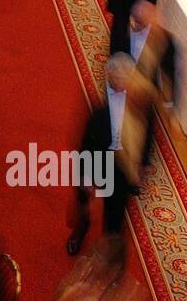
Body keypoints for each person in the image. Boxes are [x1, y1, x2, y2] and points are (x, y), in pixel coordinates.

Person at [66, 54, 155, 254]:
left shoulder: (141, 102)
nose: (118, 83)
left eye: (123, 79)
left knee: (115, 218)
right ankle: (82, 229)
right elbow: (88, 145)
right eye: (113, 78)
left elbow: (148, 132)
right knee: (84, 204)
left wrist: (143, 163)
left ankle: (109, 252)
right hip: (98, 160)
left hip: (122, 170)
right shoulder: (100, 112)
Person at [116, 0, 177, 111]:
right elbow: (116, 52)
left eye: (140, 22)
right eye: (133, 19)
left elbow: (168, 73)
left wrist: (169, 104)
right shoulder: (122, 27)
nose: (134, 24)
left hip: (144, 90)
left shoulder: (164, 40)